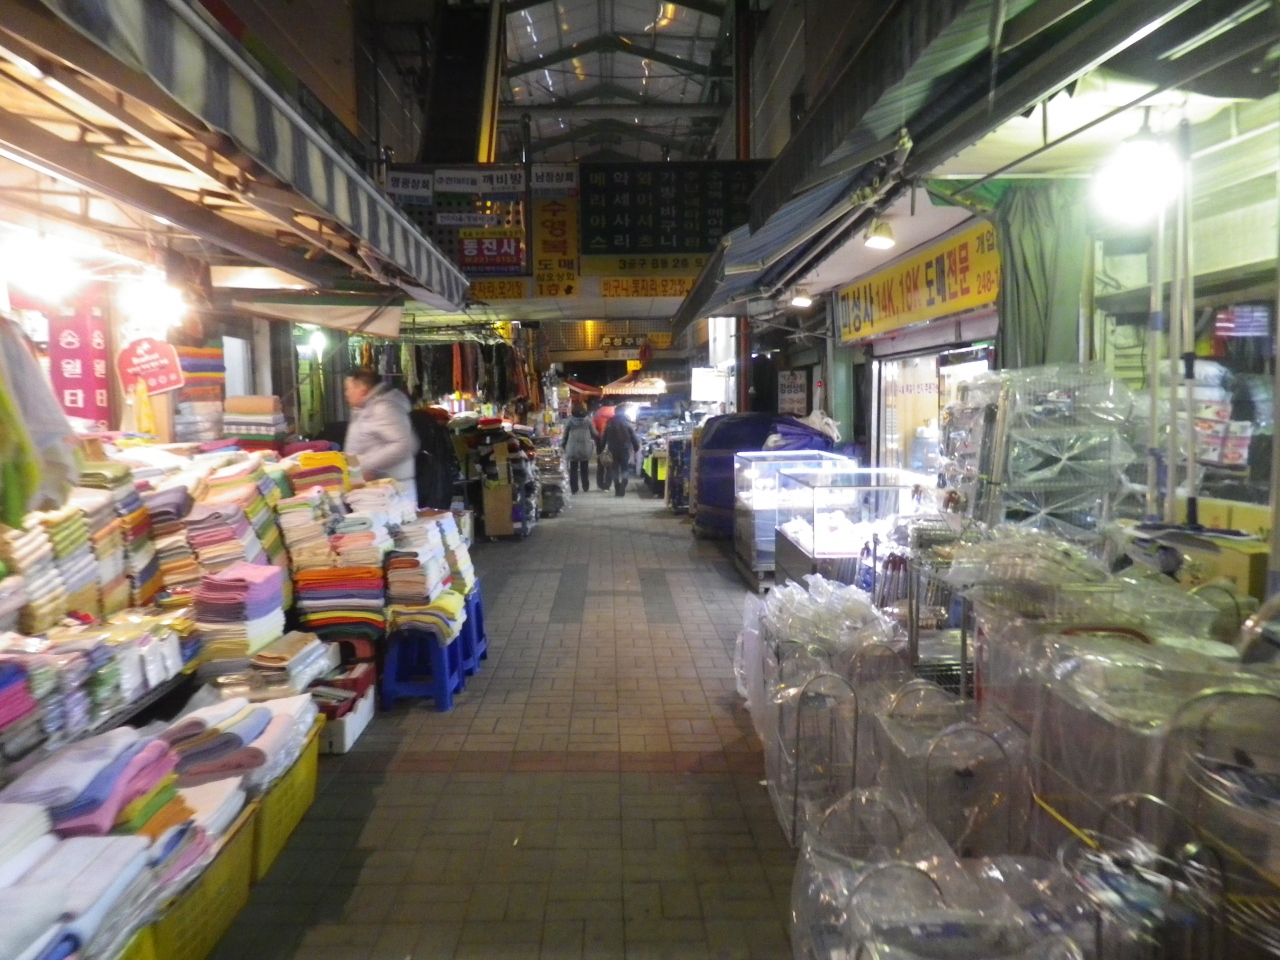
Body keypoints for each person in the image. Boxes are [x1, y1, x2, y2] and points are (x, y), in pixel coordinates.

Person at [342, 368, 419, 494]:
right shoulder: (362, 410)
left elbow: (404, 444)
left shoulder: (383, 409)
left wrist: (365, 465)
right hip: (375, 489)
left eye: (348, 388)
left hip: (394, 490)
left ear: (362, 388)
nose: (346, 393)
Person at [602, 407, 640, 497]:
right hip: (625, 449)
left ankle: (617, 486)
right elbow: (633, 436)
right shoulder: (626, 422)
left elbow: (604, 437)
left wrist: (602, 447)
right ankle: (623, 485)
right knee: (625, 468)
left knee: (614, 468)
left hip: (612, 449)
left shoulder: (610, 423)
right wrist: (636, 447)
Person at [561, 404, 598, 494]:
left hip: (572, 448)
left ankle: (574, 488)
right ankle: (585, 486)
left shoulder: (569, 421)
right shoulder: (588, 420)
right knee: (584, 467)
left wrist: (563, 446)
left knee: (573, 468)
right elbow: (594, 433)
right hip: (585, 447)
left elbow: (565, 435)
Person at [592, 402, 616, 488]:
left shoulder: (597, 414)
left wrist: (597, 436)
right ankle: (608, 484)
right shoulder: (615, 413)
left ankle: (600, 483)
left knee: (600, 461)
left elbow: (593, 429)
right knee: (610, 461)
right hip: (612, 440)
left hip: (600, 440)